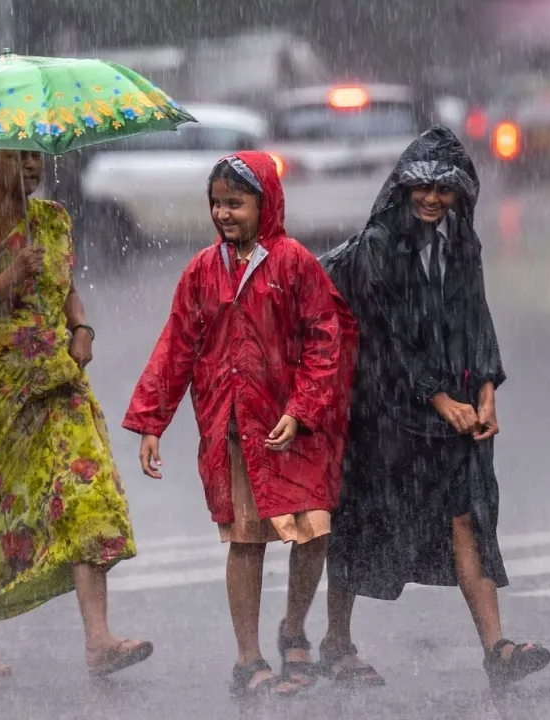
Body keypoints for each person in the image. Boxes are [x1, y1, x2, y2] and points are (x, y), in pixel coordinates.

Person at [320, 125, 550, 688]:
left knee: (467, 516)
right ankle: (335, 641)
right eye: (420, 187)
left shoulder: (461, 241)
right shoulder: (378, 248)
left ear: (459, 195)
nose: (430, 199)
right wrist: (440, 398)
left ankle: (496, 649)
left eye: (443, 190)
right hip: (384, 410)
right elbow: (389, 335)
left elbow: (476, 317)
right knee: (362, 518)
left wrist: (488, 389)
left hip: (453, 406)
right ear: (402, 188)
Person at [123, 152, 357, 697]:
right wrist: (153, 421)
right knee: (246, 540)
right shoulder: (203, 271)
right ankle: (248, 659)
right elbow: (177, 346)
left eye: (236, 202)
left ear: (266, 202)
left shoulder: (294, 262)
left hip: (295, 428)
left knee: (313, 531)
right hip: (235, 430)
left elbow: (326, 341)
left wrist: (301, 410)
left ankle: (294, 628)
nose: (224, 213)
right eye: (217, 203)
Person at [0, 148, 151, 677]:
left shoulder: (54, 220)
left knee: (86, 491)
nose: (32, 167)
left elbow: (67, 292)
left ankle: (98, 640)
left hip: (55, 380)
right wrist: (3, 282)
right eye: (17, 157)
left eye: (37, 157)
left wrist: (82, 329)